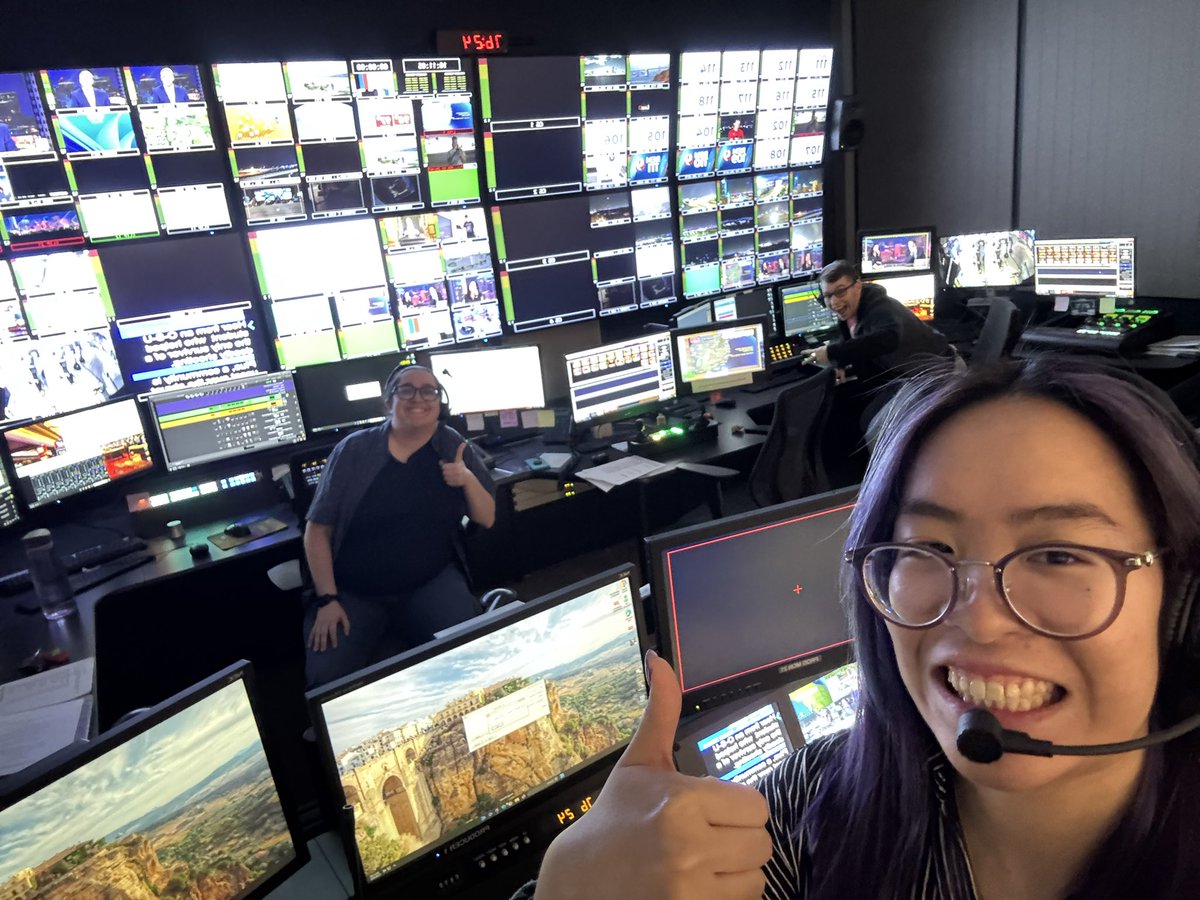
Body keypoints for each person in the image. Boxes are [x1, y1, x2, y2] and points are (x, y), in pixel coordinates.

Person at [520, 357, 1200, 899]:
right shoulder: (811, 805)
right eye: (929, 550)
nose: (982, 620)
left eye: (1058, 555)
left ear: (1182, 597)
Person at [302, 364, 496, 688]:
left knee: (472, 660)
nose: (418, 398)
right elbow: (317, 531)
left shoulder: (451, 445)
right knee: (326, 684)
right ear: (388, 402)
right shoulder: (354, 450)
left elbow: (486, 517)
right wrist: (327, 600)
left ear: (439, 400)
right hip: (354, 591)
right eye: (406, 389)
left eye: (429, 390)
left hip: (429, 581)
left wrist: (467, 479)